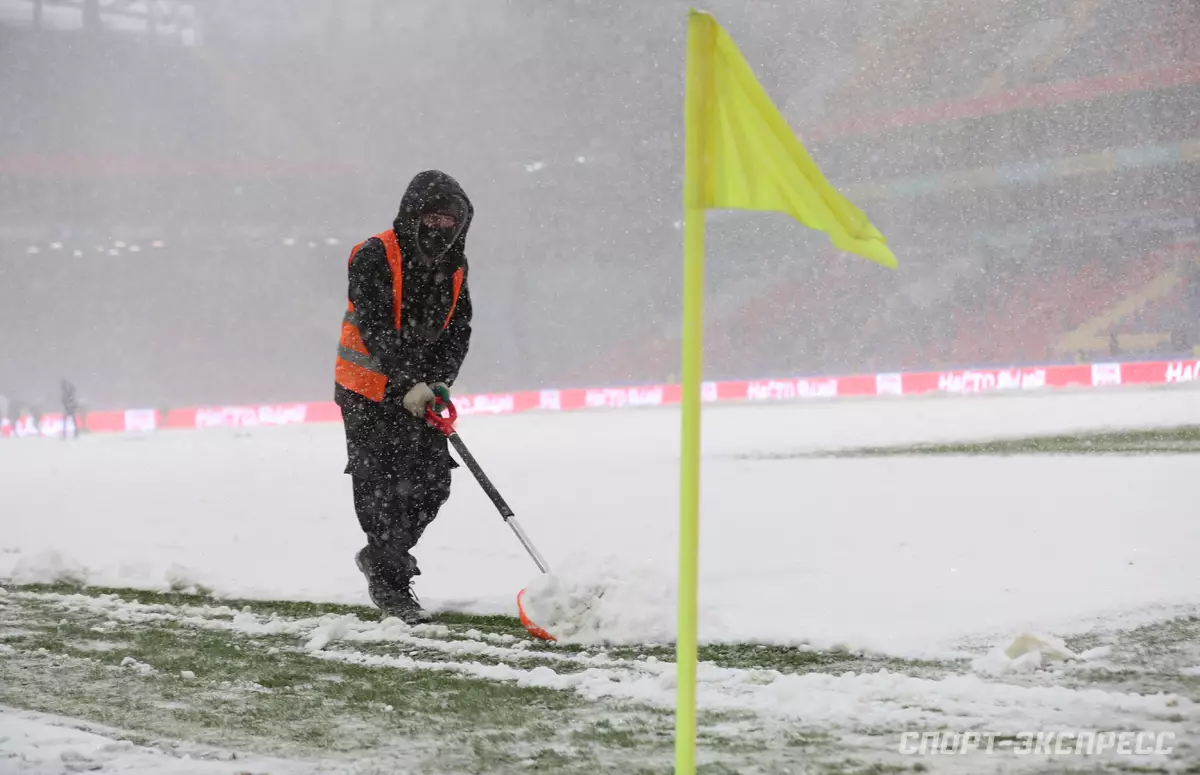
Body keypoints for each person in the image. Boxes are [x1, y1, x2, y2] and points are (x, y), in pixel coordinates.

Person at [334, 170, 473, 624]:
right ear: (412, 215)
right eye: (431, 218)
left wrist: (439, 379)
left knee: (433, 483)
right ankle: (392, 584)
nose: (440, 229)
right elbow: (374, 327)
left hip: (419, 394)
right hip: (368, 391)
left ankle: (382, 557)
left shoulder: (455, 265)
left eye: (449, 221)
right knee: (381, 488)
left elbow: (457, 328)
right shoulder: (374, 255)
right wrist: (404, 381)